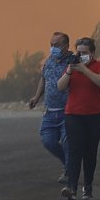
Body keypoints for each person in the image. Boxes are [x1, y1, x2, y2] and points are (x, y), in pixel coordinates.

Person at [58, 36, 100, 200]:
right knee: (74, 150)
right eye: (79, 52)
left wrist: (85, 70)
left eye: (85, 53)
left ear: (92, 53)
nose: (81, 56)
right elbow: (60, 86)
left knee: (90, 152)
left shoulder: (99, 66)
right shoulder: (70, 66)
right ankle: (71, 187)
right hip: (73, 115)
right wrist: (70, 70)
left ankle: (88, 187)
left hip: (95, 117)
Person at [26, 31, 72, 183]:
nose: (53, 48)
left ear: (66, 46)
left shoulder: (72, 62)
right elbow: (43, 79)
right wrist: (37, 97)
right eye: (51, 45)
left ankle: (69, 171)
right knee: (48, 141)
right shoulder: (49, 61)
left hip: (68, 111)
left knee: (67, 142)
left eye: (56, 45)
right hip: (50, 112)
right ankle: (70, 163)